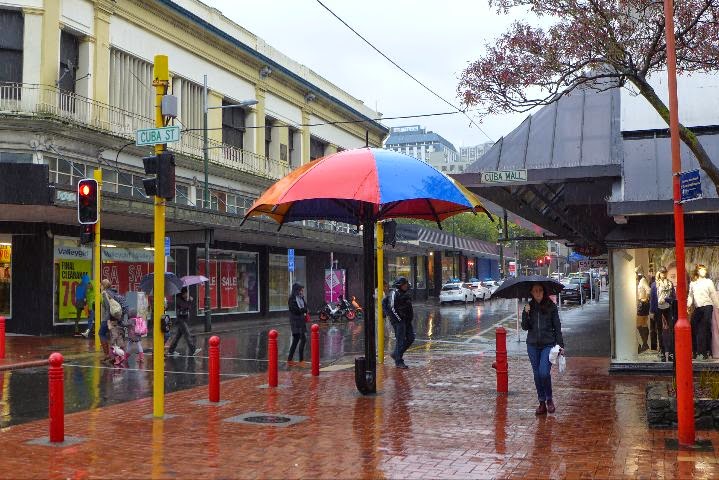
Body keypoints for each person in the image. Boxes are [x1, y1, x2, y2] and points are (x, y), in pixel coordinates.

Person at [521, 283, 565, 415]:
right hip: (532, 345)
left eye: (540, 290)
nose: (538, 293)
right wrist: (527, 314)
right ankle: (541, 402)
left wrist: (561, 345)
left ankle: (549, 399)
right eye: (535, 291)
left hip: (548, 344)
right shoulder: (528, 307)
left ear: (543, 292)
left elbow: (557, 326)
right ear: (531, 293)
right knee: (536, 374)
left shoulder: (551, 306)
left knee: (544, 373)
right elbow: (524, 327)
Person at [688, 264, 717, 360]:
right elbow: (690, 295)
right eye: (702, 270)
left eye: (705, 270)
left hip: (707, 306)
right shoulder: (693, 283)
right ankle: (696, 351)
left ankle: (705, 352)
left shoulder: (708, 282)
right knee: (693, 327)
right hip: (698, 308)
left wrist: (718, 305)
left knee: (704, 328)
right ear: (697, 271)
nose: (704, 271)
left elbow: (713, 295)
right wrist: (688, 305)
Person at [387, 276, 415, 369]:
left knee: (411, 338)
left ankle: (396, 354)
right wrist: (399, 319)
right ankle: (398, 361)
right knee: (400, 340)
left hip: (407, 320)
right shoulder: (394, 293)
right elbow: (392, 307)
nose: (406, 286)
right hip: (399, 321)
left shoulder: (405, 294)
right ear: (400, 285)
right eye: (405, 284)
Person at [100, 279, 128, 364]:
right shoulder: (115, 292)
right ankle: (117, 355)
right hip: (117, 317)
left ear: (103, 286)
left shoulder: (105, 293)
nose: (100, 287)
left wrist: (108, 321)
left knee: (101, 333)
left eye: (101, 285)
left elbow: (108, 307)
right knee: (115, 335)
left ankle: (107, 355)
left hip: (109, 318)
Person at [169, 287, 202, 357]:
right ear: (183, 293)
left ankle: (171, 350)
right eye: (186, 293)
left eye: (187, 293)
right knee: (187, 334)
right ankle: (193, 350)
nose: (187, 294)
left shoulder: (184, 299)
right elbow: (184, 306)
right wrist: (189, 301)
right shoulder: (178, 299)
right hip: (180, 320)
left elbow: (187, 307)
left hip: (184, 319)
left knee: (177, 336)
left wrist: (189, 301)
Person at [287, 282, 308, 363]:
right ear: (297, 290)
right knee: (299, 339)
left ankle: (294, 359)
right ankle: (298, 359)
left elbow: (305, 307)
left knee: (300, 339)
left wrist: (303, 310)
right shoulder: (292, 299)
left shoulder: (301, 298)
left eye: (302, 290)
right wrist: (302, 310)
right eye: (301, 290)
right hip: (295, 321)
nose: (302, 292)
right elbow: (295, 310)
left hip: (301, 321)